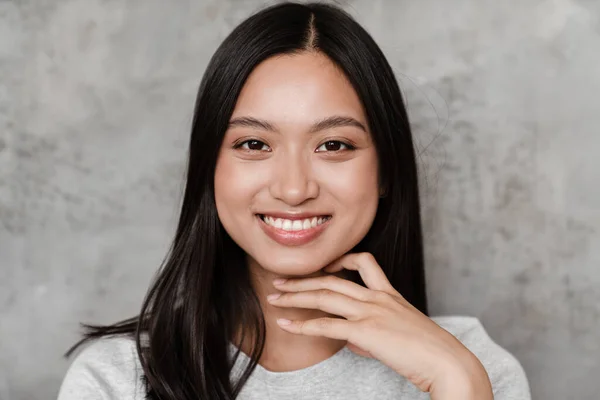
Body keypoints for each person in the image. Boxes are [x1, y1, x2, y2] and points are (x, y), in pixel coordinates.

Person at [57, 2, 531, 399]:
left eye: (333, 145)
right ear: (209, 168)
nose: (293, 189)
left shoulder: (471, 367)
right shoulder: (117, 380)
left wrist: (458, 384)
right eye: (254, 145)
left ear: (386, 171)